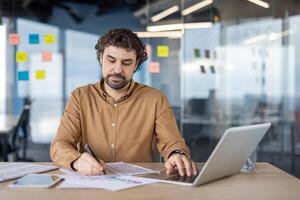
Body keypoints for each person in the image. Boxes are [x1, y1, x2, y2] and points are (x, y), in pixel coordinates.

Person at [50, 28, 197, 177]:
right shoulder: (79, 97)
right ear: (101, 58)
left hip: (138, 185)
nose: (117, 69)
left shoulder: (155, 99)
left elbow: (172, 141)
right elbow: (60, 144)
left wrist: (176, 154)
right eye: (111, 60)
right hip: (92, 184)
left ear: (136, 64)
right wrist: (76, 161)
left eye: (126, 63)